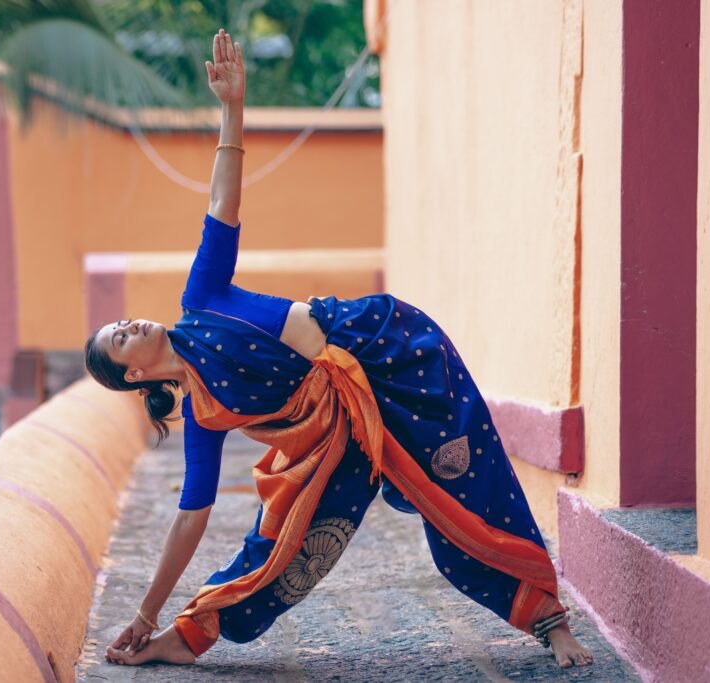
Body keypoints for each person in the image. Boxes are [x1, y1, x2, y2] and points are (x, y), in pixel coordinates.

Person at [84, 29, 594, 669]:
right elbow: (192, 515)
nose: (129, 324)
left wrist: (233, 108)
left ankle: (549, 621)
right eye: (119, 338)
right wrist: (145, 612)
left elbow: (223, 202)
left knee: (462, 481)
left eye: (124, 321)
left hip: (387, 351)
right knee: (285, 551)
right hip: (335, 438)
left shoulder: (201, 296)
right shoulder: (203, 417)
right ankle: (184, 639)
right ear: (132, 373)